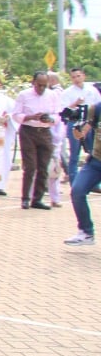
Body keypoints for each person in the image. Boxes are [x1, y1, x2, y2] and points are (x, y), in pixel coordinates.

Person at [11, 70, 64, 209]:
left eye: (44, 85)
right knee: (30, 166)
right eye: (38, 85)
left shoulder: (52, 95)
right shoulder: (24, 95)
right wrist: (31, 117)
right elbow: (16, 115)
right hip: (29, 131)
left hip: (45, 131)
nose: (41, 88)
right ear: (33, 83)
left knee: (43, 167)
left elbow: (58, 115)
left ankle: (37, 199)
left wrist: (50, 119)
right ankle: (25, 198)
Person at [65, 95, 100, 246]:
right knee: (77, 191)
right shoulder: (97, 108)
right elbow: (82, 132)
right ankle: (86, 232)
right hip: (96, 161)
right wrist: (76, 127)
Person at [59, 67, 100, 181]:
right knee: (74, 154)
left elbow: (98, 106)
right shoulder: (67, 92)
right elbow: (63, 110)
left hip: (90, 123)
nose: (76, 79)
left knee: (94, 153)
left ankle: (94, 181)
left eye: (78, 76)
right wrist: (75, 103)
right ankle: (73, 180)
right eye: (73, 77)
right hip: (75, 123)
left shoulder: (92, 90)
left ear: (83, 76)